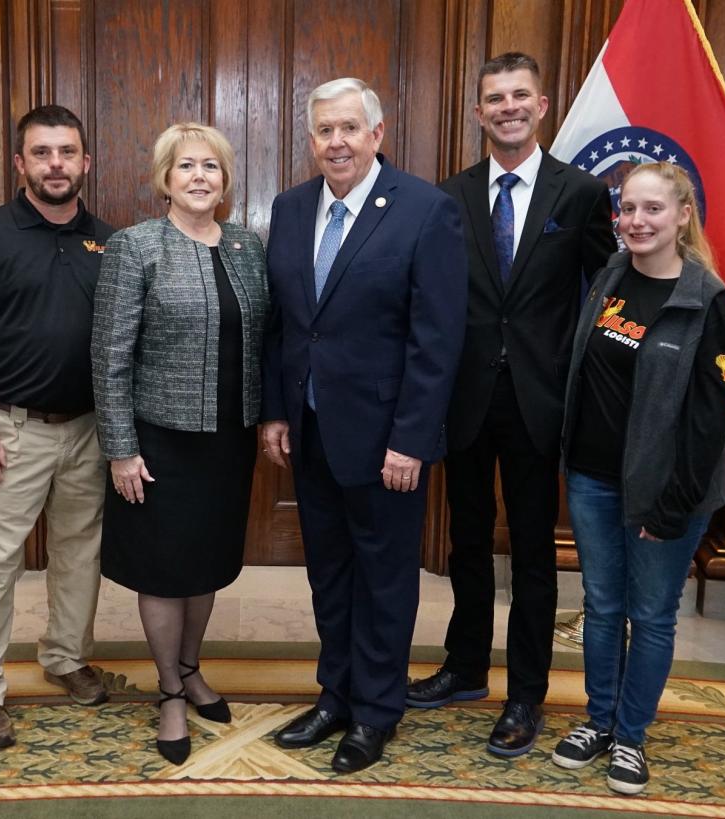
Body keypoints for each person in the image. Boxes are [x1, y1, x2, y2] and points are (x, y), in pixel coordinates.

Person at [410, 52, 616, 757]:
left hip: (540, 400)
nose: (507, 107)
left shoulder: (582, 194)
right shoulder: (448, 196)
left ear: (543, 104)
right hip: (462, 398)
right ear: (478, 113)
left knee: (531, 550)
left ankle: (527, 692)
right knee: (464, 541)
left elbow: (603, 297)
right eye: (493, 98)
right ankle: (465, 666)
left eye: (518, 95)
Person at [262, 77, 466, 774]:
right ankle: (336, 693)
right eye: (324, 130)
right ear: (311, 140)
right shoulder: (289, 209)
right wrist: (276, 412)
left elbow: (436, 340)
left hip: (388, 443)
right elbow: (283, 325)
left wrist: (411, 438)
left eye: (350, 127)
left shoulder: (424, 210)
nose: (337, 141)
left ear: (378, 134)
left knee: (384, 577)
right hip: (312, 431)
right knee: (329, 572)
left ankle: (376, 710)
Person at [0, 105, 114, 750]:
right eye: (42, 153)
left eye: (67, 152)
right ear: (20, 163)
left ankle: (65, 657)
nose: (55, 165)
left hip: (89, 430)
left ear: (86, 162)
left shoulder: (110, 242)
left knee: (79, 554)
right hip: (11, 432)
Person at [551, 161, 725, 794]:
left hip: (667, 492)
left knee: (652, 616)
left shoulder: (707, 302)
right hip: (593, 479)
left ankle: (631, 737)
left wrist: (676, 506)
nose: (636, 221)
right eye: (627, 209)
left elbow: (711, 420)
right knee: (602, 608)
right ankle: (598, 721)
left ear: (683, 215)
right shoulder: (609, 276)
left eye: (652, 209)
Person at [91, 123, 268, 766]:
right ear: (165, 177)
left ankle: (192, 667)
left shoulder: (248, 246)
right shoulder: (135, 247)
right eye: (186, 166)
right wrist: (120, 447)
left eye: (212, 168)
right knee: (165, 571)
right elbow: (109, 354)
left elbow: (265, 340)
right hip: (157, 443)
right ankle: (169, 689)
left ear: (225, 181)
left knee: (207, 563)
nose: (200, 177)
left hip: (228, 439)